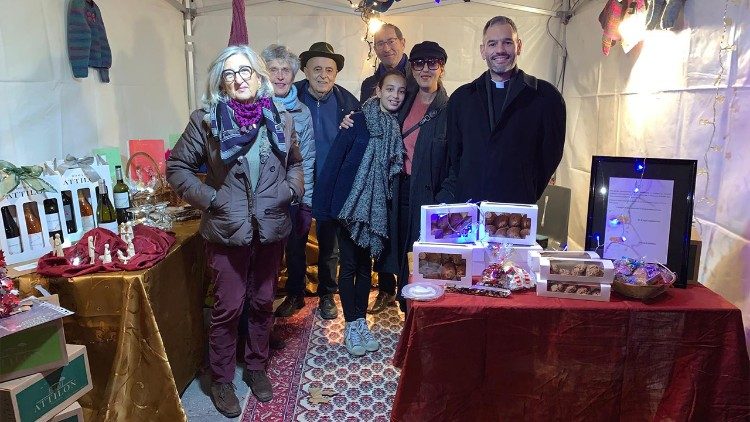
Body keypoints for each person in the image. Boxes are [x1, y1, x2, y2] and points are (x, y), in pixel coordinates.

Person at [166, 45, 303, 416]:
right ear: (221, 81)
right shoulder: (206, 121)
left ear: (258, 76)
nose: (239, 79)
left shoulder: (279, 117)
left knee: (261, 303)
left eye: (246, 71)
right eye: (230, 73)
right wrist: (211, 199)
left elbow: (295, 163)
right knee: (227, 308)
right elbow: (176, 167)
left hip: (272, 228)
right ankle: (222, 378)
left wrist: (291, 190)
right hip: (227, 229)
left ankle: (256, 367)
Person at [313, 70, 407, 356]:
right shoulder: (356, 120)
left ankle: (361, 322)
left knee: (366, 267)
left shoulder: (395, 126)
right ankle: (351, 324)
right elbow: (334, 163)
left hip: (375, 209)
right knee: (350, 265)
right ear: (377, 90)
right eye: (389, 89)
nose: (395, 95)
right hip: (349, 206)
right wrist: (324, 207)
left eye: (400, 91)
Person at [441, 16, 566, 204]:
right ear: (483, 51)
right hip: (470, 209)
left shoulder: (546, 97)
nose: (499, 50)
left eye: (507, 42)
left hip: (517, 212)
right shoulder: (462, 99)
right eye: (492, 44)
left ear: (519, 46)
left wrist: (525, 188)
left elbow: (549, 156)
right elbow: (455, 156)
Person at [292, 42, 360, 320]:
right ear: (305, 71)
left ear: (336, 73)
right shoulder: (289, 97)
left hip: (332, 182)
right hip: (298, 180)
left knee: (329, 243)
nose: (323, 75)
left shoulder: (348, 103)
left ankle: (327, 295)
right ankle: (295, 293)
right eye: (317, 69)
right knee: (294, 240)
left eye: (329, 70)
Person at [261, 44, 316, 319]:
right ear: (264, 73)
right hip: (261, 197)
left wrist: (307, 202)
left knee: (295, 251)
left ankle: (295, 295)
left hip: (292, 194)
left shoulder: (302, 113)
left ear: (293, 76)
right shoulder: (253, 107)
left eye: (285, 71)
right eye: (273, 70)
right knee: (266, 254)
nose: (280, 76)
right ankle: (262, 302)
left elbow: (307, 158)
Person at [359, 23, 413, 102]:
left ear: (403, 43)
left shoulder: (417, 79)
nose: (386, 49)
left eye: (391, 41)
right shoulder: (368, 85)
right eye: (380, 44)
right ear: (375, 49)